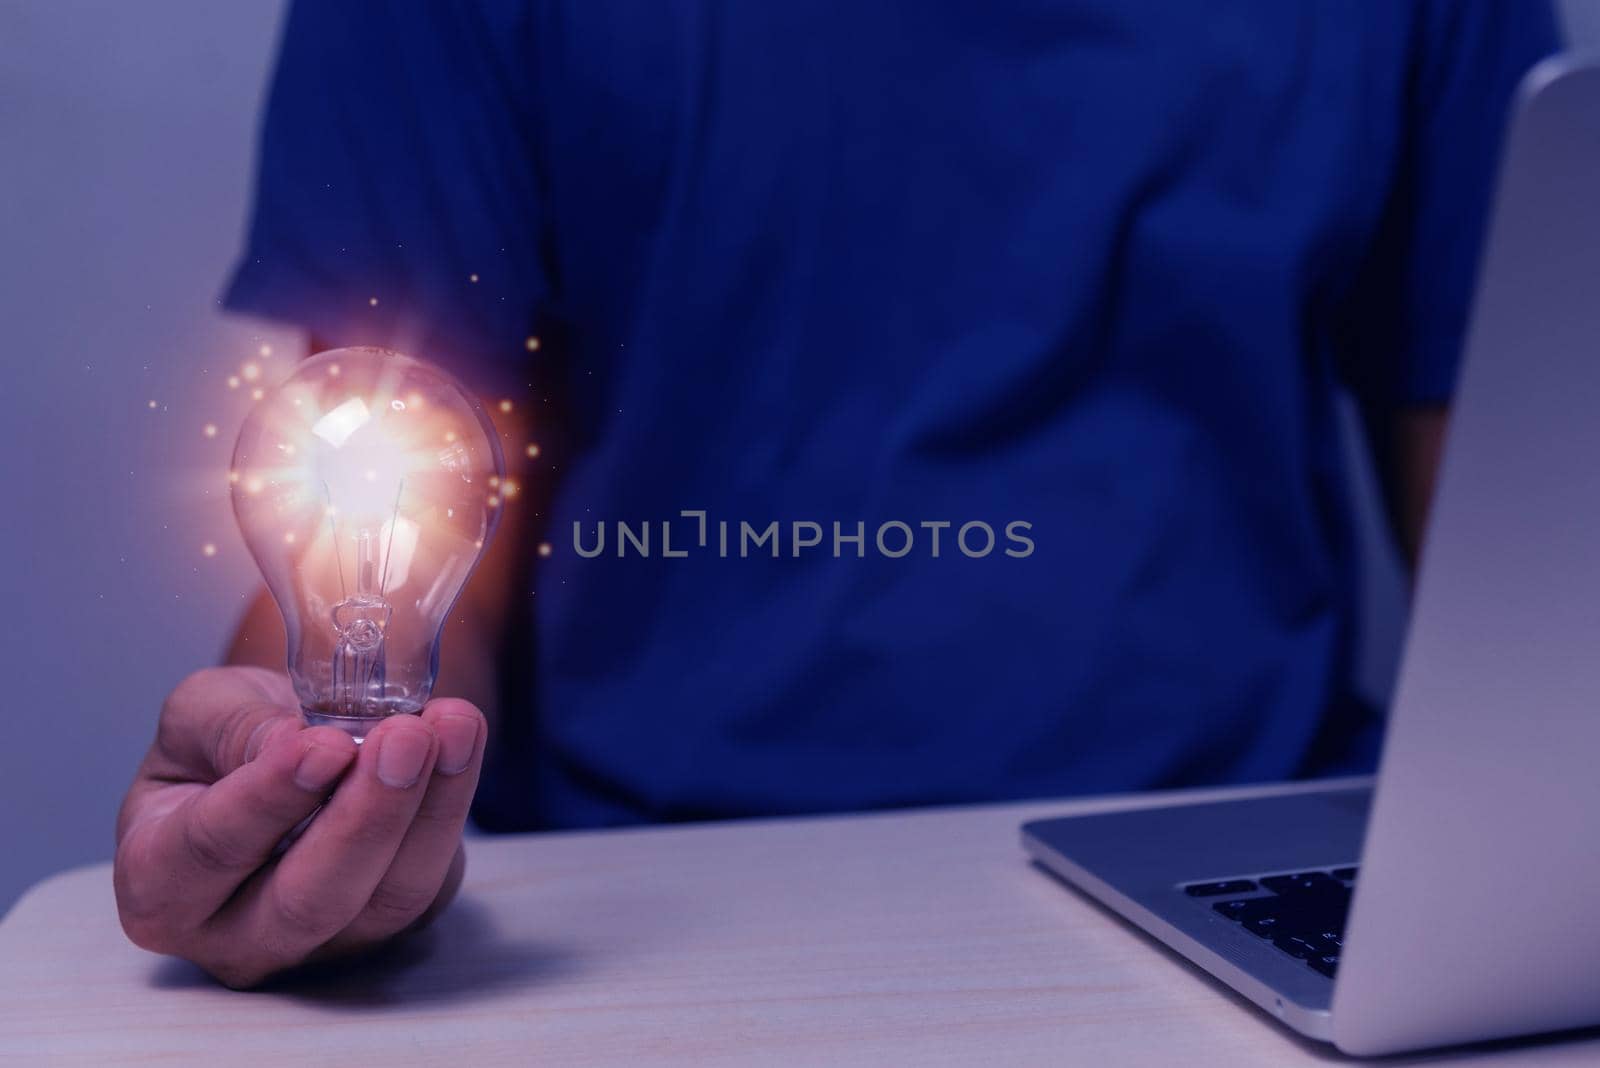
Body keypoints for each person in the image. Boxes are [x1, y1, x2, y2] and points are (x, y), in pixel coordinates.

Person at [113, 1, 1558, 987]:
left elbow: (1530, 573)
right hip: (647, 920)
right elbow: (392, 512)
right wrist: (313, 816)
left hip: (1262, 879)